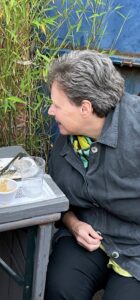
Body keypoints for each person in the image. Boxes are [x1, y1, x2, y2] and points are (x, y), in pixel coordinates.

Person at [44, 50, 140, 300]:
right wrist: (74, 224)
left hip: (136, 244)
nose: (50, 111)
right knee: (59, 290)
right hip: (88, 233)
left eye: (57, 105)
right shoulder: (69, 137)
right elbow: (59, 198)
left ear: (85, 108)